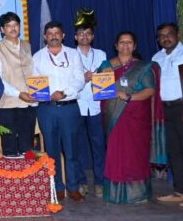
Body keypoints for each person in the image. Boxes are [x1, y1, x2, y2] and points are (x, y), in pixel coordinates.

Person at [98, 31, 164, 204]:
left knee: (135, 154)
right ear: (116, 45)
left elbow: (150, 90)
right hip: (114, 116)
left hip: (137, 118)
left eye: (129, 42)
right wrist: (100, 76)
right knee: (116, 153)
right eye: (122, 42)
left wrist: (130, 97)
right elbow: (99, 91)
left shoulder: (143, 67)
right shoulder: (106, 66)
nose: (125, 45)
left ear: (134, 46)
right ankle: (114, 194)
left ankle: (137, 194)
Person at [32, 21, 85, 201]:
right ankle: (57, 187)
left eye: (57, 33)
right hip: (47, 109)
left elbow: (79, 79)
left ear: (63, 35)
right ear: (45, 37)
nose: (53, 36)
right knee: (52, 150)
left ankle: (73, 187)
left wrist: (64, 92)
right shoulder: (37, 57)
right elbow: (34, 82)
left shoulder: (74, 54)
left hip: (69, 107)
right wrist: (38, 94)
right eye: (50, 33)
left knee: (71, 151)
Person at [152, 22, 183, 208]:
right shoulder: (156, 57)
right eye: (161, 36)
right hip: (165, 109)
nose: (165, 38)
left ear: (178, 35)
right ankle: (180, 190)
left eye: (169, 34)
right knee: (173, 150)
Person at [0, 12, 36, 156]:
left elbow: (34, 72)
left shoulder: (27, 46)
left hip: (29, 104)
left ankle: (28, 171)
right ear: (2, 29)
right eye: (8, 26)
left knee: (27, 148)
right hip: (7, 105)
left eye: (15, 25)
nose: (13, 28)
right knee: (10, 149)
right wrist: (19, 94)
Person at [74, 24, 107, 198]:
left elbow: (106, 77)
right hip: (77, 105)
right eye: (81, 34)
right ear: (75, 37)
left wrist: (99, 78)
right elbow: (69, 79)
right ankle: (82, 182)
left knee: (99, 146)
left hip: (96, 106)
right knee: (78, 146)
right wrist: (83, 78)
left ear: (92, 36)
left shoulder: (101, 54)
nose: (84, 36)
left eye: (88, 33)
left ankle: (100, 182)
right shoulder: (70, 55)